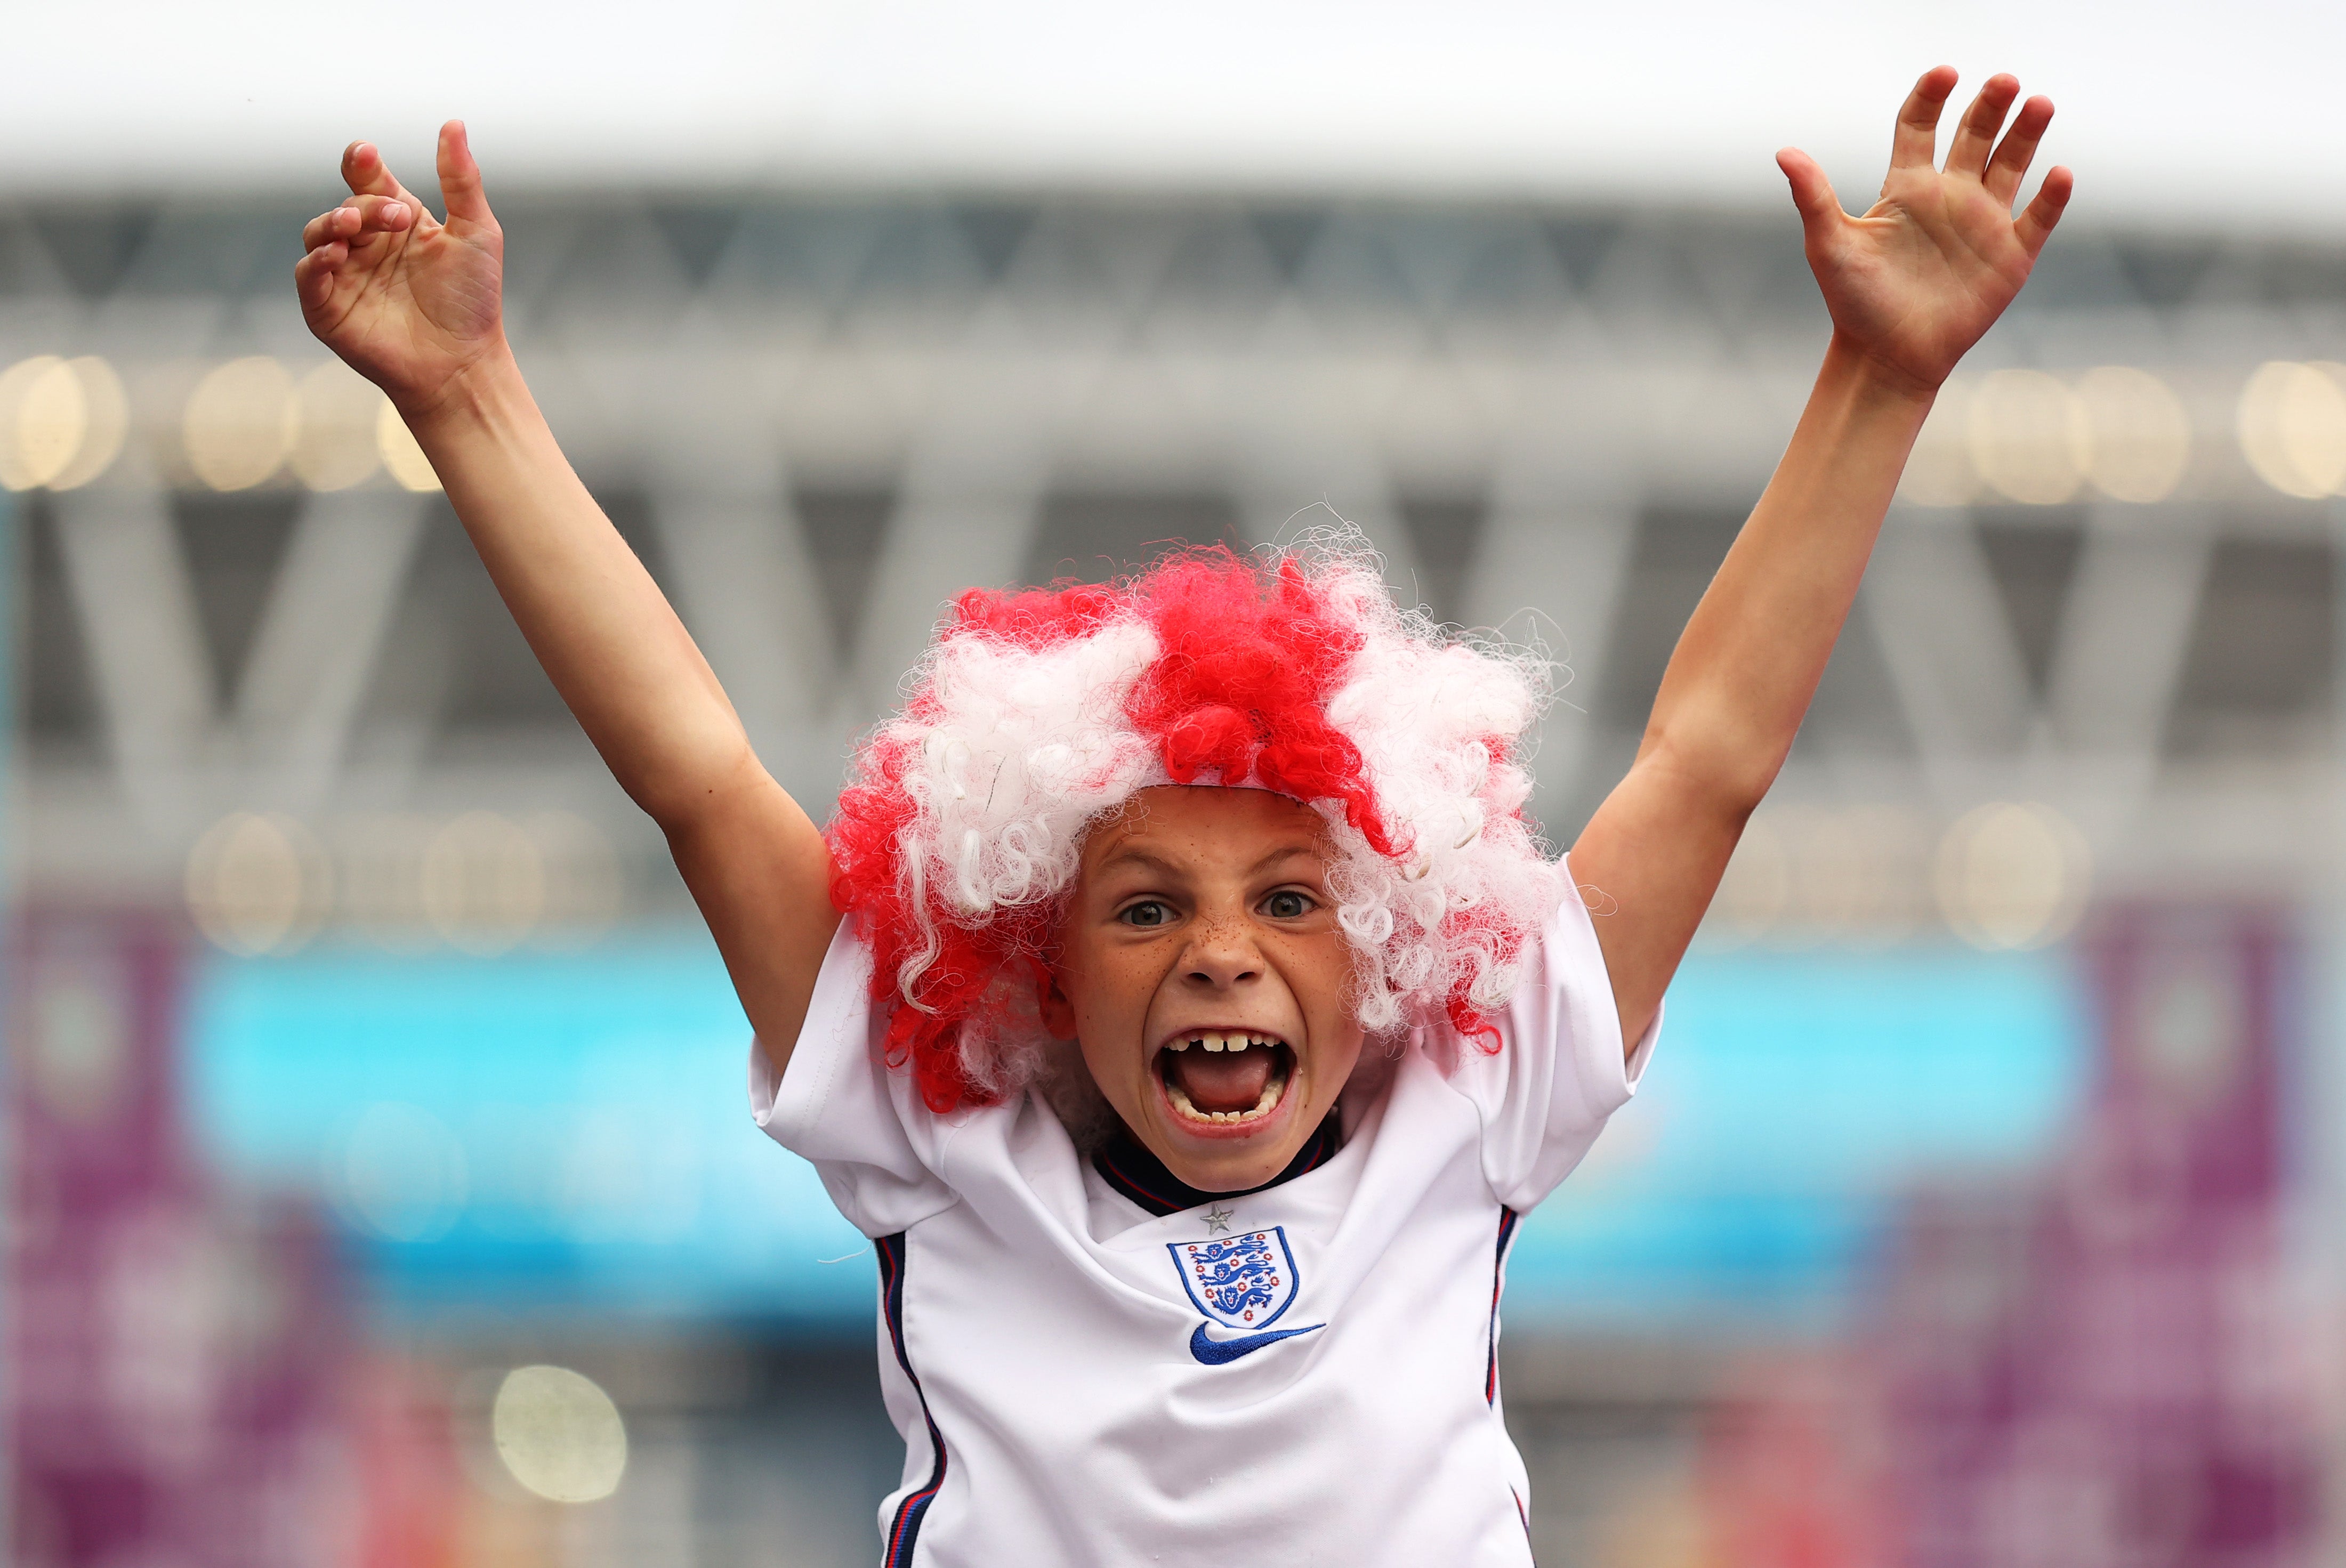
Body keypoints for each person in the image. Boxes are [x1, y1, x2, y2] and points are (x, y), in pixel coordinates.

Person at [296, 66, 2069, 1564]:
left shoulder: (1474, 1097)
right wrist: (465, 400)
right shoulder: (938, 1142)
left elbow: (1705, 755)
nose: (1223, 955)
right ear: (1033, 970)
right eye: (1144, 908)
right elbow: (692, 773)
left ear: (1388, 945)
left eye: (1292, 903)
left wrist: (1880, 379)